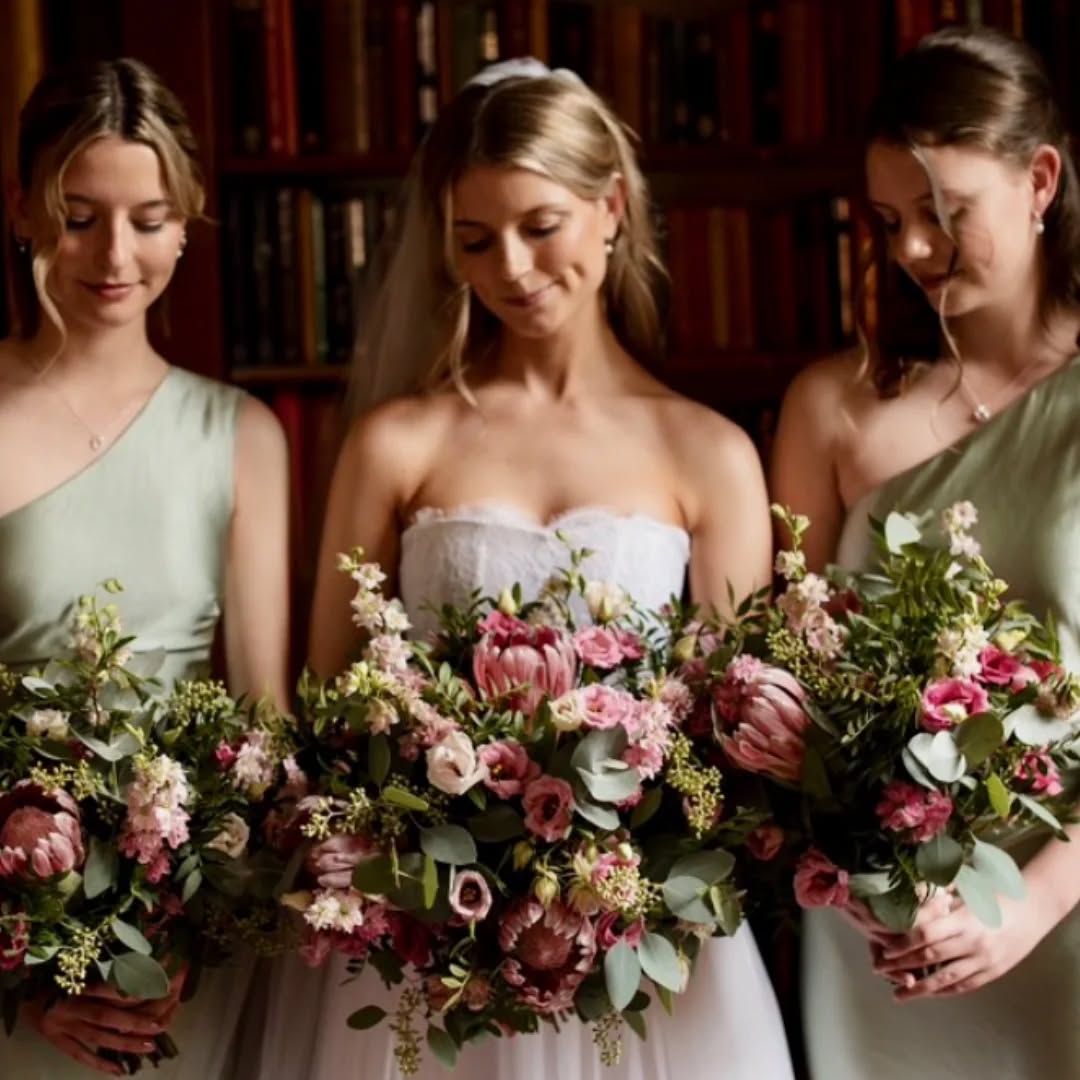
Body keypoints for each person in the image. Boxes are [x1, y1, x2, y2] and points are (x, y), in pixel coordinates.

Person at [250, 58, 794, 1080]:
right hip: (422, 943)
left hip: (644, 949)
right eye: (474, 239)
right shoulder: (395, 444)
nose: (511, 266)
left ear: (611, 209)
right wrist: (438, 833)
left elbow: (729, 745)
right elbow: (325, 716)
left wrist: (604, 871)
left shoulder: (708, 453)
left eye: (540, 227)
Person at [770, 26, 1080, 1079]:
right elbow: (782, 680)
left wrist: (1027, 910)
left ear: (1040, 180)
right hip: (885, 918)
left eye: (946, 214)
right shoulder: (832, 408)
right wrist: (877, 881)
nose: (910, 249)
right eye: (890, 220)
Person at [0, 58, 290, 1077]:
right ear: (22, 210)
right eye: (79, 216)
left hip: (184, 961)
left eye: (148, 217)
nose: (115, 255)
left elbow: (262, 732)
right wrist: (22, 967)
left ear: (187, 219)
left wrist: (192, 944)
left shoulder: (242, 434)